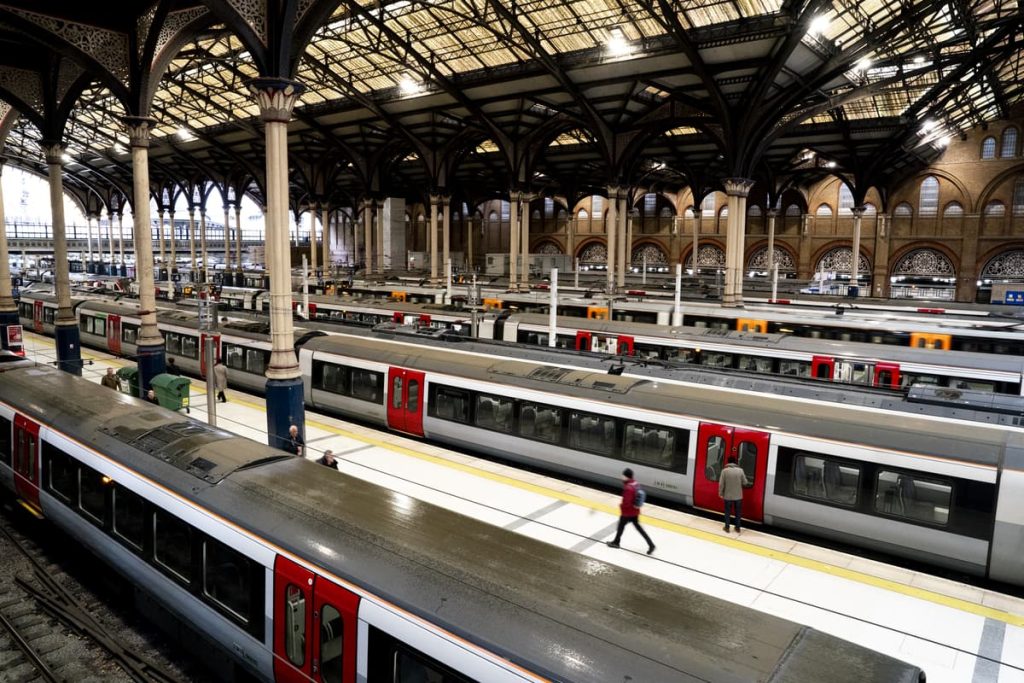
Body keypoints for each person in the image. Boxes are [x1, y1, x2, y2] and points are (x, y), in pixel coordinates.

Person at [606, 468, 655, 555]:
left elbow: (627, 502)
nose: (621, 477)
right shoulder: (635, 483)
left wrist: (621, 506)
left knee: (621, 526)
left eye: (623, 475)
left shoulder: (628, 488)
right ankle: (651, 544)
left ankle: (616, 542)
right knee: (638, 528)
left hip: (628, 512)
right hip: (635, 511)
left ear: (626, 476)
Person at [719, 456, 749, 534]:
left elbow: (721, 484)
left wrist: (721, 493)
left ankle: (727, 527)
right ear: (735, 462)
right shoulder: (740, 471)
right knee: (738, 512)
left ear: (728, 462)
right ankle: (738, 528)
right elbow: (745, 482)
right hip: (738, 496)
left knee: (727, 512)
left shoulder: (724, 471)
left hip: (727, 496)